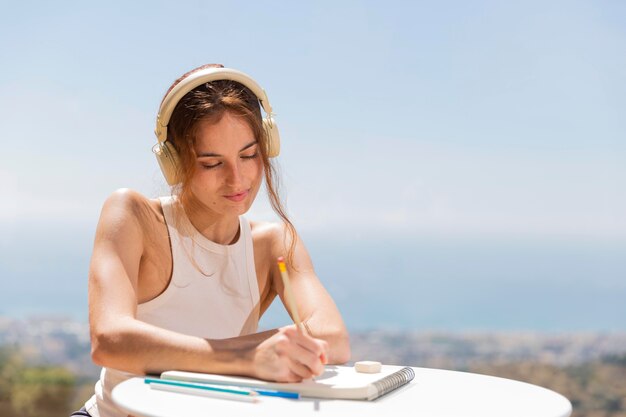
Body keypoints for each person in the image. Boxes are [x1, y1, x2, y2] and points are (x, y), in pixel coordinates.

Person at [73, 64, 350, 417]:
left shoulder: (274, 242)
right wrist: (248, 357)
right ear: (174, 163)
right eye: (211, 163)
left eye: (249, 155)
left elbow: (333, 336)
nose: (237, 179)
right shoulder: (132, 215)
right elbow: (110, 341)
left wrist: (260, 353)